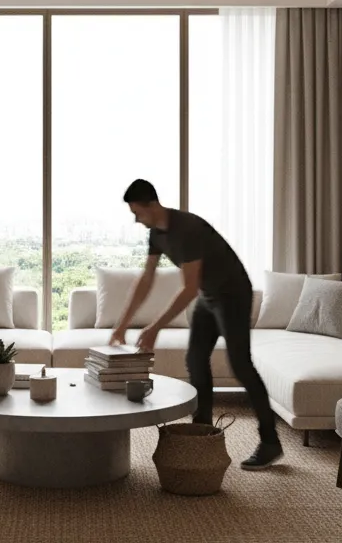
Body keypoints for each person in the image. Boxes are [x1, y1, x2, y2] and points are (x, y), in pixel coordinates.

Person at [109, 179, 283, 470]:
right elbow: (146, 279)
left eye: (137, 213)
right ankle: (202, 433)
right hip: (208, 295)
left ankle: (270, 441)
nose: (136, 220)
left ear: (152, 205)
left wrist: (155, 328)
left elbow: (188, 288)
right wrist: (122, 325)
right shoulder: (156, 234)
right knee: (195, 360)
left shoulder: (186, 228)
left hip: (232, 295)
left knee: (241, 365)